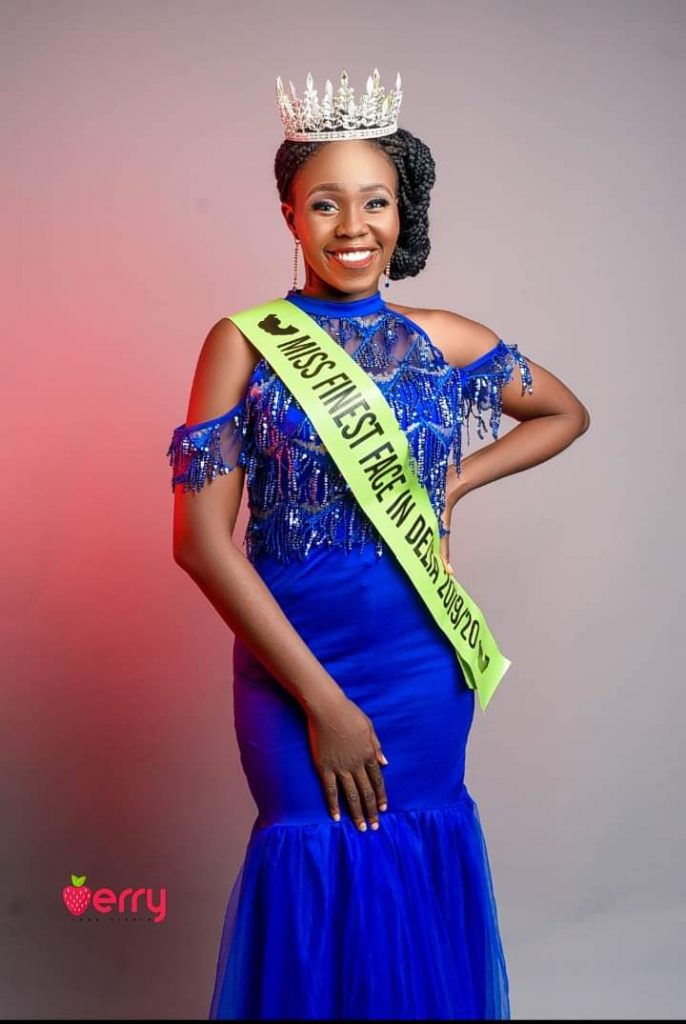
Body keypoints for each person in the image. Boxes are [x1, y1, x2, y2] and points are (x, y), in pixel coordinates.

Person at [166, 68, 590, 1021]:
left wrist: (453, 483)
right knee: (311, 869)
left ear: (403, 212)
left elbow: (564, 412)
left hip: (420, 665)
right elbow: (199, 543)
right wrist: (323, 701)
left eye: (376, 202)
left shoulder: (444, 339)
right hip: (292, 665)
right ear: (289, 212)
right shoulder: (244, 343)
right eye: (325, 203)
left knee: (411, 868)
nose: (352, 226)